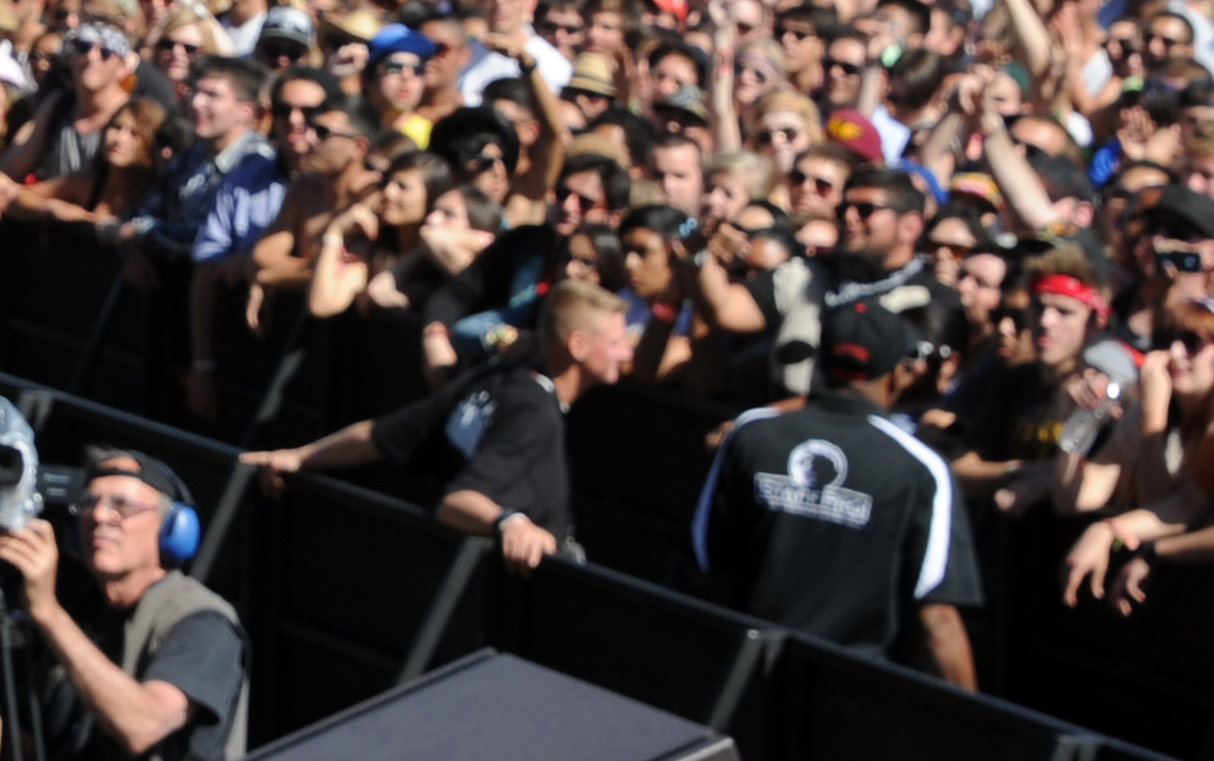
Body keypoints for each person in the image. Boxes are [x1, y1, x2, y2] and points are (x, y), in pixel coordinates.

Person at [237, 280, 638, 569]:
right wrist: (511, 523)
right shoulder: (533, 414)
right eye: (617, 341)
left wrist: (302, 456)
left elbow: (380, 434)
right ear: (577, 345)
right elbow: (458, 501)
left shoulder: (498, 376)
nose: (626, 353)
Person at [691, 300, 983, 686]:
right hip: (850, 691)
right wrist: (969, 719)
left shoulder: (751, 435)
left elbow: (704, 565)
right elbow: (937, 619)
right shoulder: (920, 469)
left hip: (743, 677)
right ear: (898, 371)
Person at [0, 449, 248, 761]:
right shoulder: (82, 619)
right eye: (88, 503)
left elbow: (143, 724)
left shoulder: (203, 621)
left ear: (172, 528)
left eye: (122, 506)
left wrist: (48, 612)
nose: (99, 516)